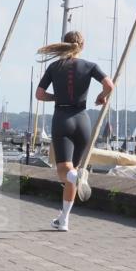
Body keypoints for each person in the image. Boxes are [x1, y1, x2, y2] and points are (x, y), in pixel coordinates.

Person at [35, 31, 113, 232]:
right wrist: (101, 96)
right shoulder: (90, 66)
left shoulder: (54, 67)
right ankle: (64, 220)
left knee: (65, 172)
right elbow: (109, 85)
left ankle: (73, 183)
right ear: (82, 45)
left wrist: (57, 97)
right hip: (82, 121)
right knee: (73, 172)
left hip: (63, 119)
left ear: (63, 44)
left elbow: (40, 94)